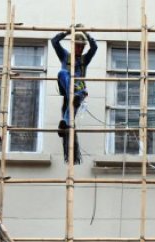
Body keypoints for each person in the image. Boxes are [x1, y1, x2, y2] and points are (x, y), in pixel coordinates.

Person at [51, 27, 98, 164]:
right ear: (73, 45)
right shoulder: (65, 56)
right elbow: (54, 42)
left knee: (77, 97)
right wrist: (67, 32)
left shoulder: (84, 60)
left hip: (79, 90)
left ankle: (65, 123)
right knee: (62, 73)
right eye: (78, 46)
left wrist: (86, 34)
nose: (80, 49)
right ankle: (72, 96)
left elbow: (94, 48)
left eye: (82, 47)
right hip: (67, 86)